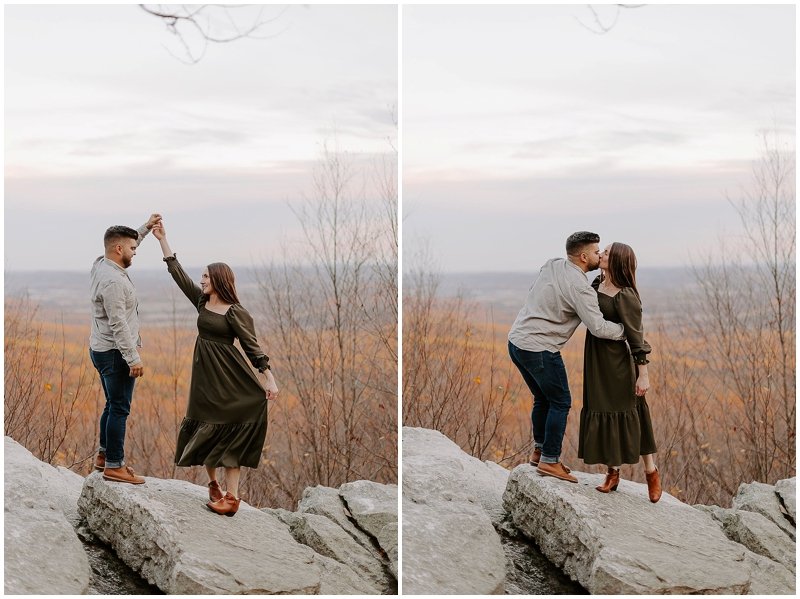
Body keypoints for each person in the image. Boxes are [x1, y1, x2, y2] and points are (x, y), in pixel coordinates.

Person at [151, 222, 278, 516]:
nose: (202, 279)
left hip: (231, 379)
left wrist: (268, 379)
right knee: (205, 427)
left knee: (232, 435)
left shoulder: (235, 312)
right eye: (203, 276)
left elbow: (252, 347)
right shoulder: (202, 302)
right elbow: (178, 275)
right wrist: (163, 240)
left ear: (220, 280)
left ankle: (232, 498)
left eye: (207, 276)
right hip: (205, 381)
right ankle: (213, 485)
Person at [508, 231, 625, 483]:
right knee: (560, 402)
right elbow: (599, 328)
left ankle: (540, 452)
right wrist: (627, 331)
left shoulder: (552, 264)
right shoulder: (580, 288)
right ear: (584, 257)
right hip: (540, 349)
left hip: (516, 342)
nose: (599, 255)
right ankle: (550, 460)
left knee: (543, 398)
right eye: (596, 252)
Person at [578, 242, 661, 502]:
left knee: (634, 413)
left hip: (618, 365)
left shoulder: (626, 295)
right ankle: (613, 473)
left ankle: (651, 472)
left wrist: (643, 374)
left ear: (617, 261)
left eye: (606, 253)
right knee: (604, 411)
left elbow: (637, 338)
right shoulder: (595, 285)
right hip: (596, 362)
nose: (600, 254)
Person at [89, 214, 162, 484]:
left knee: (111, 404)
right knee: (120, 408)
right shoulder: (114, 282)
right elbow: (119, 324)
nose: (135, 252)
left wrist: (144, 228)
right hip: (115, 354)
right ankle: (114, 466)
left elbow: (128, 243)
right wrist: (133, 359)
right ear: (118, 250)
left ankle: (103, 456)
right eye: (132, 249)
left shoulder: (101, 264)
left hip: (100, 349)